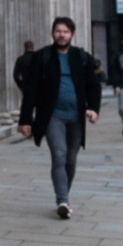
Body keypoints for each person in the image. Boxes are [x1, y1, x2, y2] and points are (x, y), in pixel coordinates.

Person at [18, 17, 102, 219]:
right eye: (58, 31)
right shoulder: (42, 57)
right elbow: (30, 90)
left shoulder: (81, 57)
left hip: (76, 117)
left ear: (72, 34)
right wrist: (25, 120)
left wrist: (93, 108)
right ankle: (62, 200)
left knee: (71, 160)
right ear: (52, 33)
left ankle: (65, 197)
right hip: (52, 116)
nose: (61, 35)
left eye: (65, 31)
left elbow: (94, 85)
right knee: (59, 154)